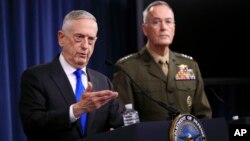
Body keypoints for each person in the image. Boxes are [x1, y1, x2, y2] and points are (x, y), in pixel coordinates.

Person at [19, 10, 123, 141]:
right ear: (61, 38)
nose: (85, 46)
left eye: (91, 39)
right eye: (79, 37)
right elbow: (32, 125)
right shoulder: (36, 77)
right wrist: (76, 110)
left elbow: (118, 125)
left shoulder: (103, 81)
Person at [112, 1, 212, 121]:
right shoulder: (127, 68)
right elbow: (124, 120)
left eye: (168, 21)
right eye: (156, 22)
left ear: (174, 28)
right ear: (144, 29)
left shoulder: (190, 65)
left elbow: (203, 115)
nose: (164, 27)